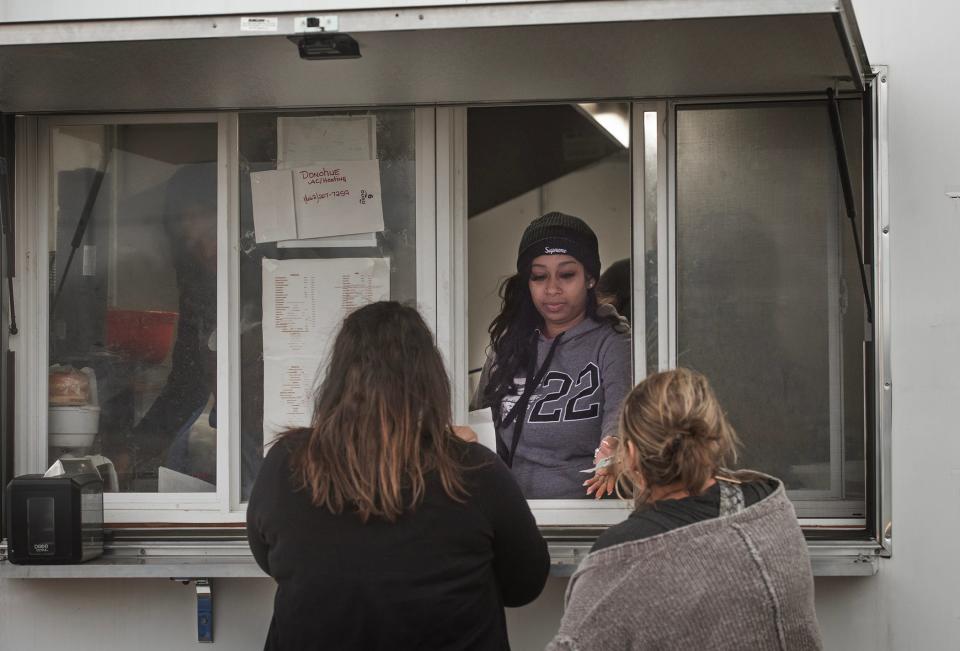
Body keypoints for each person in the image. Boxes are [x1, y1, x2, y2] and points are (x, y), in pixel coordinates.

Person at [247, 301, 549, 651]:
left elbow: (268, 558)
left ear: (338, 377)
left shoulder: (288, 463)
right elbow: (525, 584)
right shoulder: (474, 470)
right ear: (429, 379)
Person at [548, 368, 822, 650]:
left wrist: (633, 466)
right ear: (715, 436)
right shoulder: (770, 507)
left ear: (630, 455)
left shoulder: (620, 560)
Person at [472, 212, 631, 499]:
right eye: (539, 276)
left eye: (567, 275)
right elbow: (476, 428)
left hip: (589, 520)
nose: (552, 289)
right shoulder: (507, 345)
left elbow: (619, 420)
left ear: (591, 278)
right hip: (514, 517)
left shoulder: (614, 343)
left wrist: (614, 448)